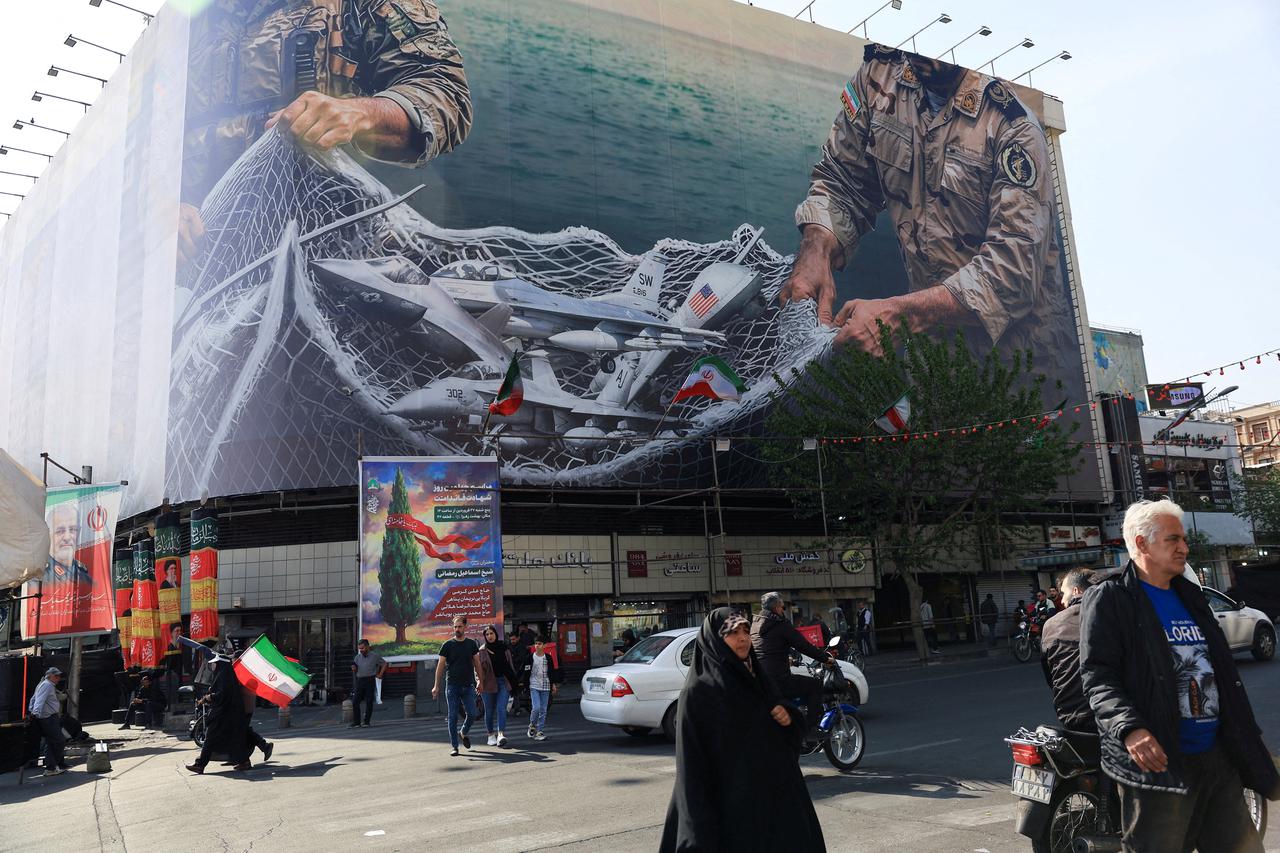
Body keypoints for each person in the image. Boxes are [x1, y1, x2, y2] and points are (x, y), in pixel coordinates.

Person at [780, 44, 1077, 378]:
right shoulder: (878, 78)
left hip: (1024, 372)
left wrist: (898, 315)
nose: (917, 57)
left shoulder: (1013, 126)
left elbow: (1012, 272)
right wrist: (815, 249)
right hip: (934, 366)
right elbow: (842, 179)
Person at [178, 0, 473, 264]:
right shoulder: (186, 17)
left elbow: (446, 94)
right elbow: (145, 125)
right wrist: (162, 204)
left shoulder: (363, 6)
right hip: (200, 256)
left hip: (333, 253)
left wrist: (360, 114)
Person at [1080, 500, 1278, 851]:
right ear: (1141, 543)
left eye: (1183, 539)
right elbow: (1097, 674)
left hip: (1218, 757)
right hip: (1159, 764)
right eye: (1173, 539)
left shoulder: (1192, 596)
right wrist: (1131, 728)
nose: (1184, 547)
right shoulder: (1112, 598)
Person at [659, 609, 825, 852]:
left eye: (746, 631)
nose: (743, 638)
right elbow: (691, 768)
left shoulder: (757, 678)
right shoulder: (699, 694)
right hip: (732, 813)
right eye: (733, 633)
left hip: (776, 808)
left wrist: (788, 718)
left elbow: (784, 737)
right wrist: (697, 830)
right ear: (715, 640)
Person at [751, 591, 834, 735]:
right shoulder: (780, 625)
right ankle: (811, 729)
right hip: (779, 681)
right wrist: (825, 659)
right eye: (783, 607)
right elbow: (803, 646)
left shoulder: (755, 625)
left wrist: (788, 659)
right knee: (815, 685)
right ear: (777, 608)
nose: (784, 610)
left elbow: (765, 649)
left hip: (761, 680)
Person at [1039, 569, 1095, 733]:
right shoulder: (1114, 614)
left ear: (1076, 591)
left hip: (1069, 715)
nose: (1062, 600)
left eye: (1063, 593)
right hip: (1113, 715)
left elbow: (1051, 678)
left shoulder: (1051, 624)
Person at [186, 649, 251, 773]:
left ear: (220, 664)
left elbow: (221, 695)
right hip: (228, 713)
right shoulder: (224, 675)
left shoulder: (224, 676)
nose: (213, 666)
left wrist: (208, 698)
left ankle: (200, 765)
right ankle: (244, 761)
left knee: (210, 737)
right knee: (233, 739)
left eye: (215, 664)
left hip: (223, 713)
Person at [432, 616, 482, 756]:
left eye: (459, 626)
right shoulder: (447, 645)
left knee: (472, 714)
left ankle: (463, 732)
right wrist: (436, 686)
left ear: (465, 627)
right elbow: (440, 666)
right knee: (452, 716)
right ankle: (455, 747)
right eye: (455, 627)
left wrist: (481, 681)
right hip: (452, 686)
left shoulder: (471, 644)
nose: (457, 629)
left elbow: (477, 664)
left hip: (468, 685)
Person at [477, 625, 516, 747]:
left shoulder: (504, 648)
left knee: (501, 708)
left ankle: (500, 734)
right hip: (487, 684)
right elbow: (477, 670)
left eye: (491, 633)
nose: (489, 636)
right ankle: (490, 735)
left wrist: (514, 683)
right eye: (487, 634)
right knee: (489, 710)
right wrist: (479, 682)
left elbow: (510, 666)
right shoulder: (482, 651)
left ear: (496, 634)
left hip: (503, 682)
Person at [28, 667, 68, 776]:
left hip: (48, 717)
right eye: (56, 676)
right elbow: (39, 700)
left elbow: (34, 699)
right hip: (47, 718)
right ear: (49, 676)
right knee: (59, 740)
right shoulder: (47, 685)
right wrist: (35, 713)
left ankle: (53, 766)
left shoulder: (46, 684)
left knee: (51, 742)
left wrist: (33, 711)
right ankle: (51, 767)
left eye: (59, 676)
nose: (58, 678)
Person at [43, 504, 93, 588]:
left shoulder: (84, 575)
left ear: (79, 532)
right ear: (48, 534)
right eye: (60, 531)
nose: (67, 537)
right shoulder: (38, 576)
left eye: (73, 530)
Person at [527, 636, 562, 741]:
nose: (537, 645)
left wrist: (553, 684)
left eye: (540, 643)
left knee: (543, 709)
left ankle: (539, 731)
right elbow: (525, 671)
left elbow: (551, 672)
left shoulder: (548, 658)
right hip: (534, 686)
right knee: (536, 708)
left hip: (546, 686)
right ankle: (532, 725)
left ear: (544, 645)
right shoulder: (530, 657)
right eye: (536, 643)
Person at [350, 639, 387, 728]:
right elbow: (355, 668)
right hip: (360, 680)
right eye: (359, 649)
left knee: (369, 701)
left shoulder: (375, 656)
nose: (361, 650)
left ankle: (366, 721)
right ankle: (356, 722)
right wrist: (354, 668)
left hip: (370, 680)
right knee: (355, 701)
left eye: (362, 648)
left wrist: (380, 674)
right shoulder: (357, 657)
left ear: (367, 647)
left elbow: (384, 664)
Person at [163, 622, 189, 711]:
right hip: (172, 677)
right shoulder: (169, 648)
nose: (178, 633)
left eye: (180, 631)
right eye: (176, 631)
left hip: (179, 675)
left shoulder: (181, 646)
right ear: (171, 633)